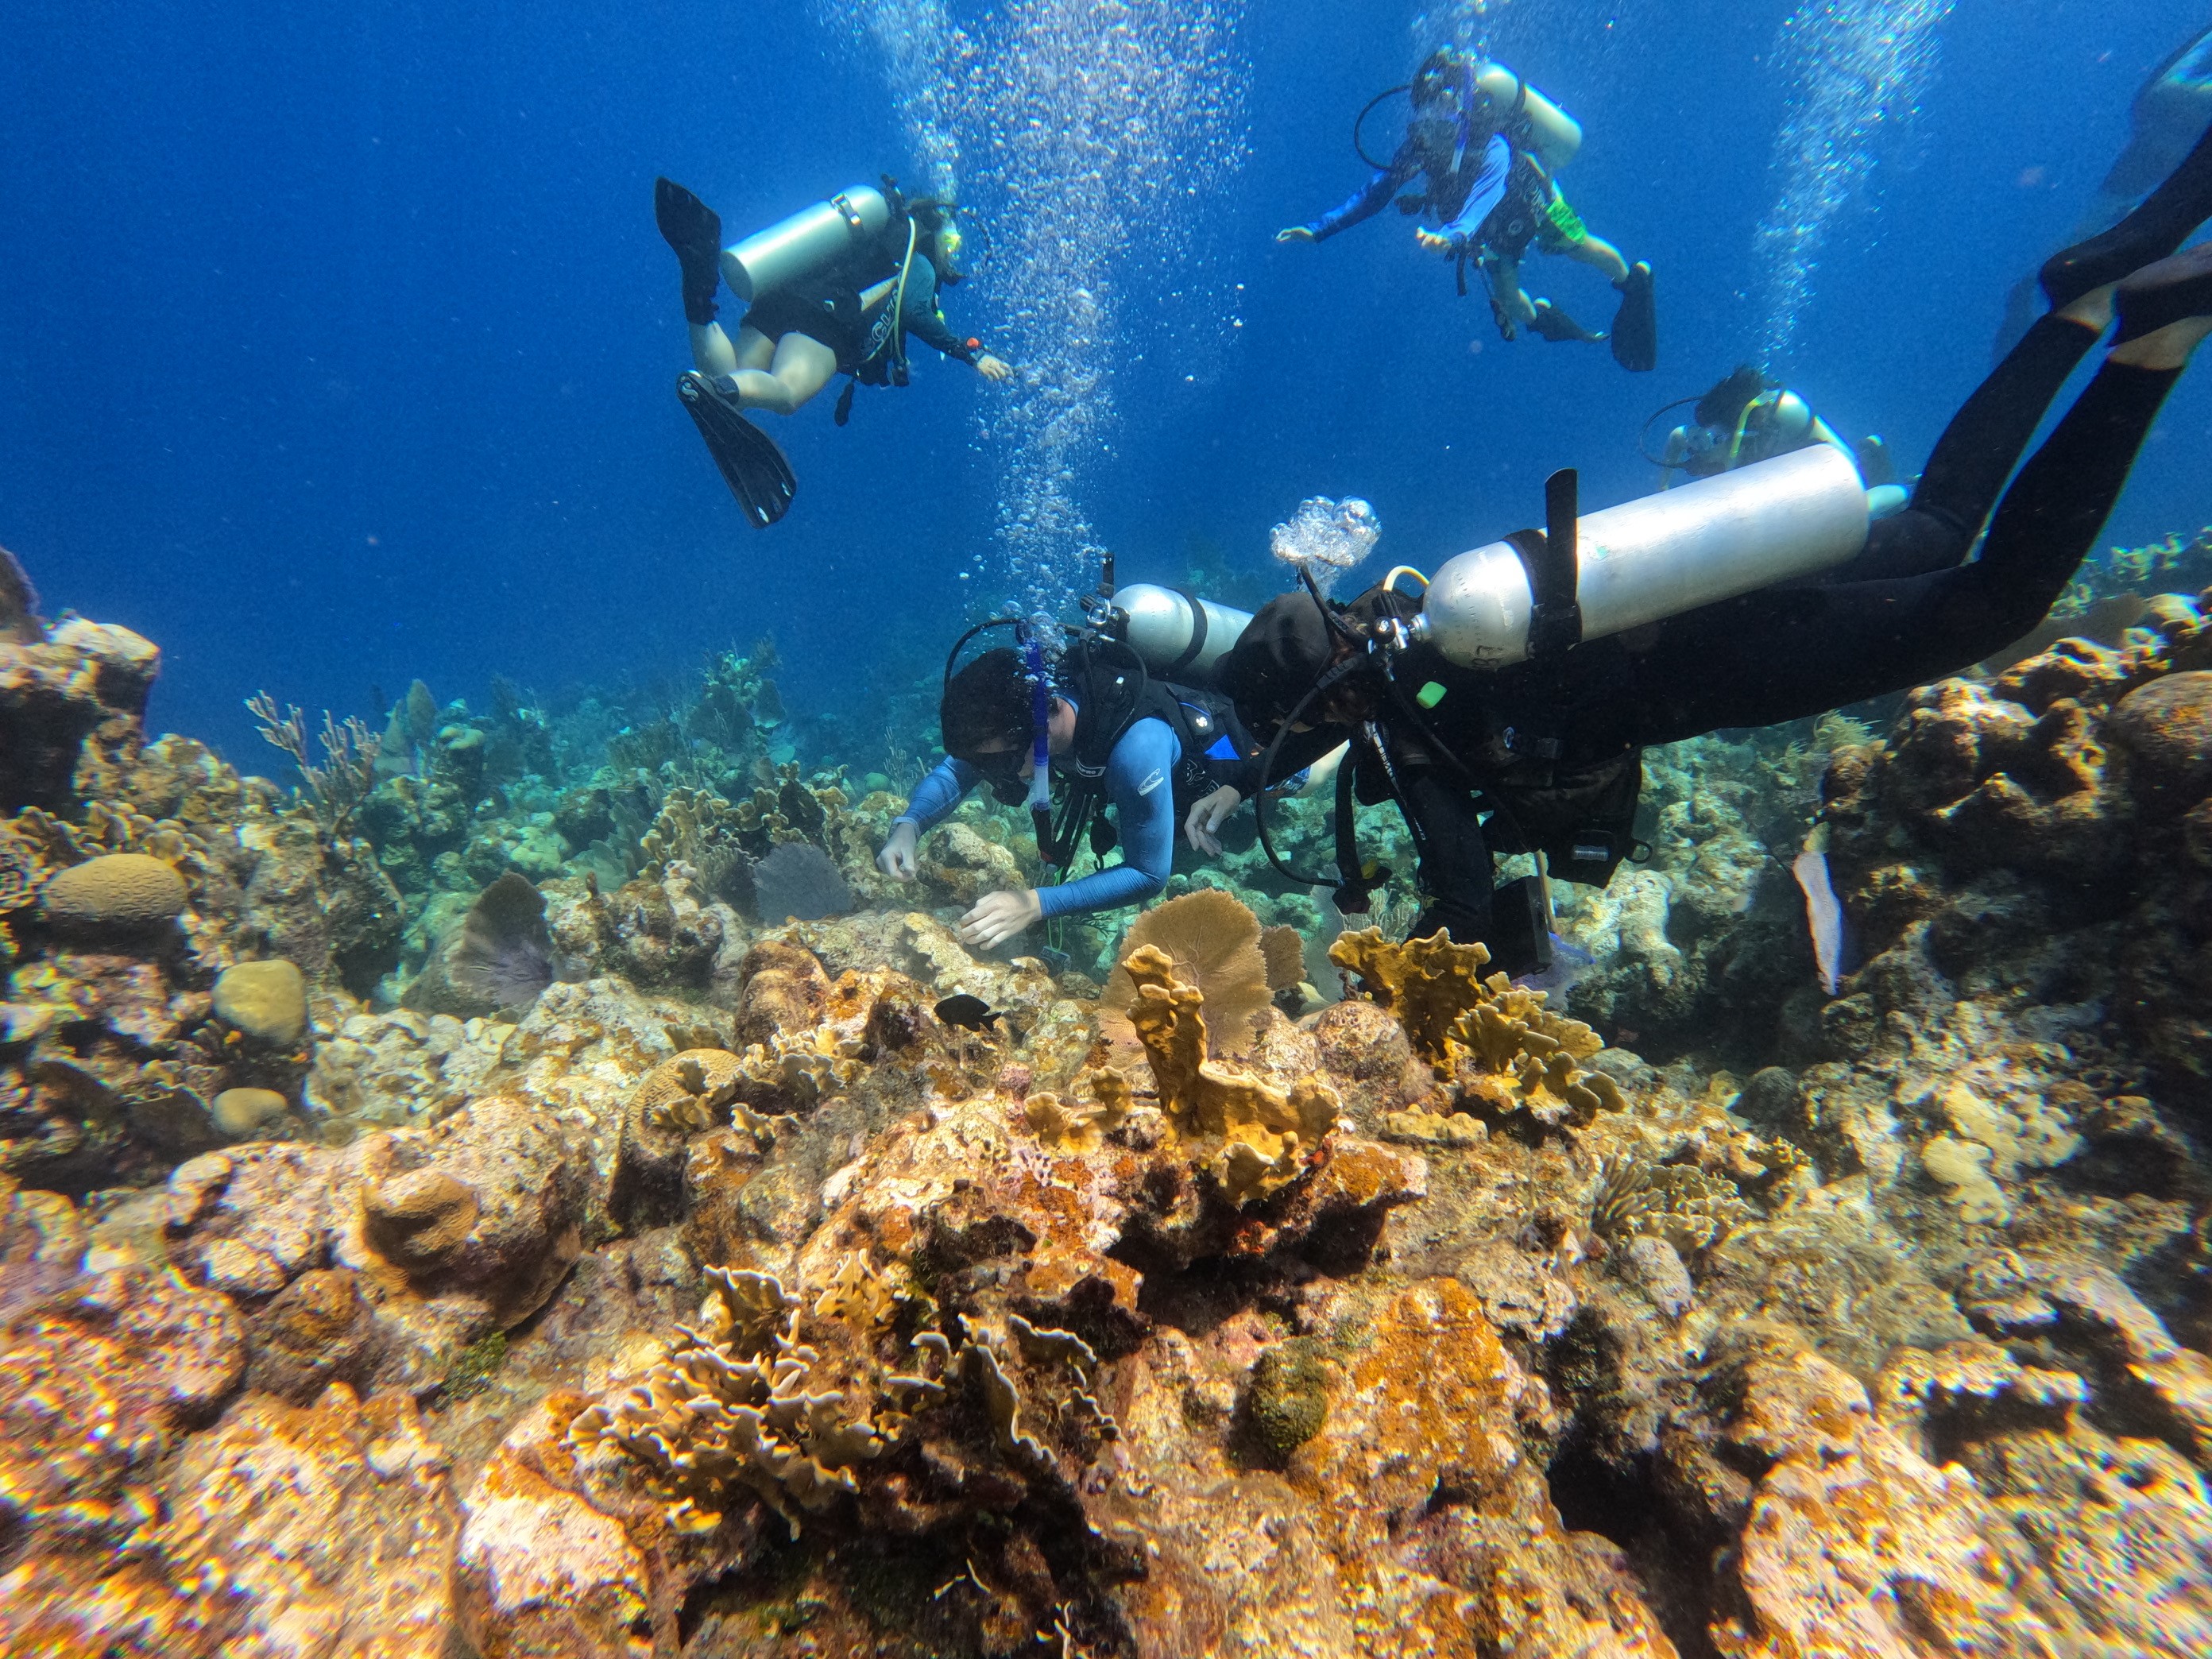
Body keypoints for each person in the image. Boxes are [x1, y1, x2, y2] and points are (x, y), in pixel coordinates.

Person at [1223, 128, 2212, 974]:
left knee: (1997, 601)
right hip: (1728, 567)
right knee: (1940, 524)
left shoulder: (1412, 727)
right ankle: (2070, 309)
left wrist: (1388, 995)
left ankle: (2142, 347)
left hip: (1732, 662)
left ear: (1333, 699)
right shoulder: (1427, 606)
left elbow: (1470, 910)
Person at [654, 177, 1014, 528]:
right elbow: (915, 313)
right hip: (827, 320)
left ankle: (700, 300)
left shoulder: (864, 240)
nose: (950, 256)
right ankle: (719, 390)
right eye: (951, 244)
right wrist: (973, 355)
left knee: (733, 385)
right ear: (937, 233)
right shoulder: (916, 259)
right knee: (787, 391)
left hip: (780, 296)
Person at [1277, 47, 1657, 372]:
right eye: (1426, 113)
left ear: (1460, 107)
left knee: (1581, 248)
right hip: (1489, 231)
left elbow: (1488, 191)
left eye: (1443, 110)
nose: (1433, 122)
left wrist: (1453, 234)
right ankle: (1548, 320)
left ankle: (1633, 282)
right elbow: (1376, 192)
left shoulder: (1490, 141)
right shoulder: (1419, 146)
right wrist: (1320, 228)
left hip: (1532, 202)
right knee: (1511, 300)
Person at [876, 638, 1266, 949]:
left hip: (1243, 761)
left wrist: (1035, 904)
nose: (992, 775)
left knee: (1301, 779)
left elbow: (1149, 873)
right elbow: (955, 771)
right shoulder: (1034, 706)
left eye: (999, 763)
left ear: (1036, 733)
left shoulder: (1137, 750)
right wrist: (908, 825)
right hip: (1138, 783)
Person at [1994, 21, 2212, 359]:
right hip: (2191, 119)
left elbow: (2176, 67)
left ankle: (2035, 285)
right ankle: (2067, 305)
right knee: (2147, 225)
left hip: (2162, 109)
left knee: (2102, 217)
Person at [1657, 365, 1907, 518]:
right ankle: (1873, 453)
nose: (1705, 444)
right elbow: (1677, 438)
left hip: (1820, 464)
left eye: (1718, 436)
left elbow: (1843, 462)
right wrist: (1664, 489)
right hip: (1784, 474)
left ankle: (1902, 485)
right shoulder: (1706, 439)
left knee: (1861, 506)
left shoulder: (1785, 411)